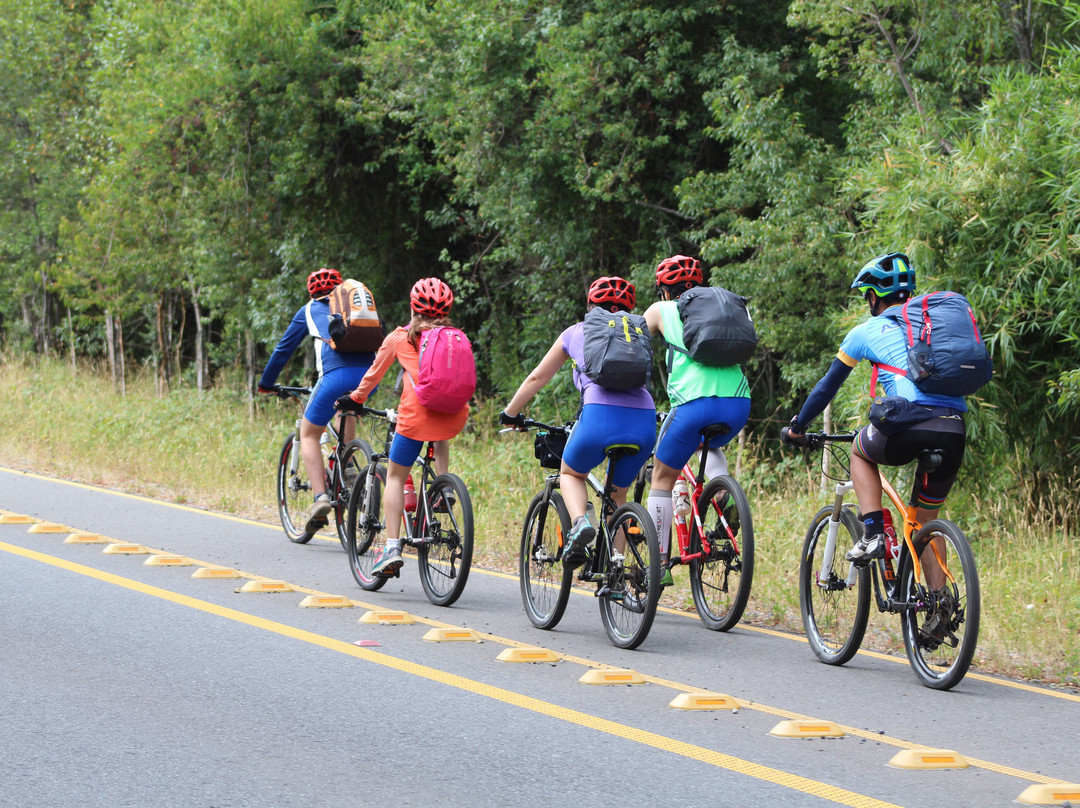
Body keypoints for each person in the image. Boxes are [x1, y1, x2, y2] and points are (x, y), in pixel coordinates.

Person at [782, 252, 967, 581]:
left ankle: (872, 534)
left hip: (911, 424)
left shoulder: (865, 332)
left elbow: (827, 388)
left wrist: (798, 427)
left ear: (872, 296)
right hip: (954, 427)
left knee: (858, 449)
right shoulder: (932, 326)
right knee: (926, 522)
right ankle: (940, 609)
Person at [499, 276, 656, 567]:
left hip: (600, 417)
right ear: (628, 307)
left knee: (571, 473)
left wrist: (511, 412)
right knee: (618, 496)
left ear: (592, 305)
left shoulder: (576, 332)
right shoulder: (636, 333)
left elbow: (538, 377)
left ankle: (580, 523)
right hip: (645, 421)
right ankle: (617, 566)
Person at [335, 277, 469, 577]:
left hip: (414, 419)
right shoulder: (456, 337)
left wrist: (355, 399)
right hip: (455, 415)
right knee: (440, 430)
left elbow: (373, 375)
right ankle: (443, 487)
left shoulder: (399, 338)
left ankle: (392, 548)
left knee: (395, 478)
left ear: (413, 308)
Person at [642, 255, 752, 586]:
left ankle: (657, 561)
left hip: (693, 404)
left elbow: (628, 345)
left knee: (661, 476)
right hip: (738, 403)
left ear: (664, 290)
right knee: (709, 443)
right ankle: (725, 502)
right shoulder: (724, 307)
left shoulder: (661, 310)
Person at [258, 268, 376, 530]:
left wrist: (266, 383)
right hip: (370, 377)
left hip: (336, 378)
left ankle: (320, 498)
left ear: (312, 292)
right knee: (344, 412)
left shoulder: (309, 310)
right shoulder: (351, 308)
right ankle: (348, 465)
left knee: (310, 432)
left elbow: (282, 350)